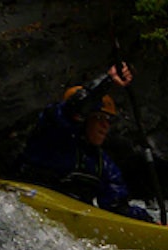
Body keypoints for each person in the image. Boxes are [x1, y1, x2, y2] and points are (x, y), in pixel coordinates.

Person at [18, 64, 155, 222]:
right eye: (99, 118)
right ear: (84, 119)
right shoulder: (52, 134)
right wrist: (107, 81)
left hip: (66, 219)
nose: (105, 125)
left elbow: (117, 207)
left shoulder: (102, 163)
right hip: (29, 205)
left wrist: (150, 223)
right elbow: (74, 108)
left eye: (108, 120)